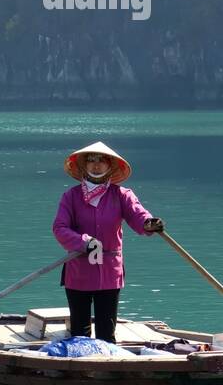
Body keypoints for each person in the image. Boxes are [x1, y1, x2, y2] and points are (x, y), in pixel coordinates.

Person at [52, 141, 164, 343]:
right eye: (91, 161)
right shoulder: (71, 196)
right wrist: (83, 241)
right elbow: (60, 229)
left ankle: (106, 363)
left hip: (109, 273)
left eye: (102, 161)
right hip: (79, 271)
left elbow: (138, 215)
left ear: (110, 166)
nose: (96, 165)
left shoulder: (122, 195)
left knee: (106, 331)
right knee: (79, 332)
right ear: (83, 166)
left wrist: (149, 223)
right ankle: (80, 368)